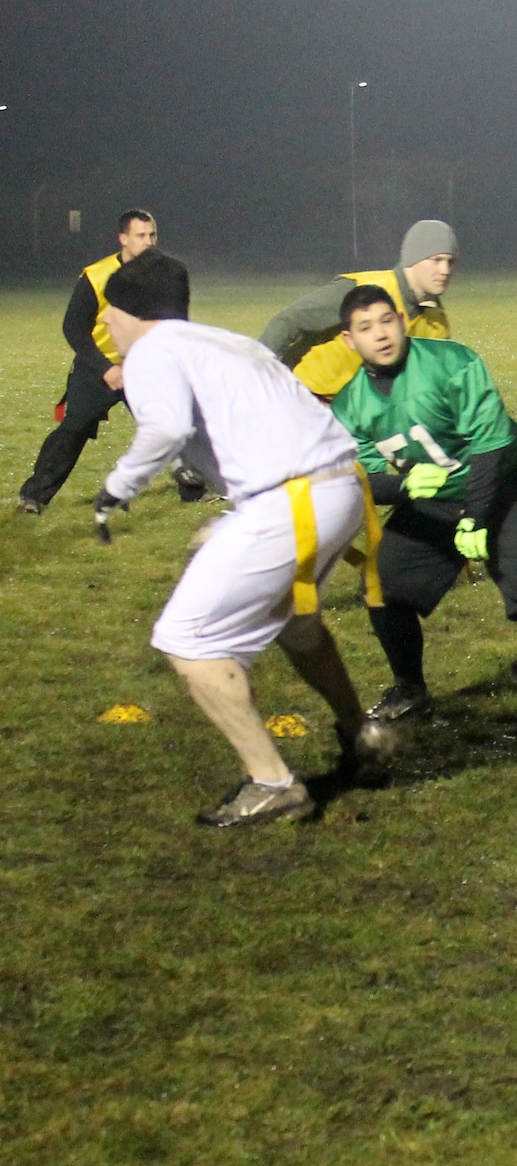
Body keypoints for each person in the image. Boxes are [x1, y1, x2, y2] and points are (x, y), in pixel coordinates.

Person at [93, 250, 390, 827]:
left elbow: (167, 427)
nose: (105, 323)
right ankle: (362, 734)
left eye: (109, 312)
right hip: (340, 488)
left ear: (130, 309)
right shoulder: (223, 342)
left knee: (186, 640)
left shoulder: (155, 348)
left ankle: (274, 783)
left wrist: (116, 488)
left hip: (296, 497)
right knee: (297, 624)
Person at [331, 285, 517, 736]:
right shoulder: (350, 404)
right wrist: (404, 486)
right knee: (384, 586)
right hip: (436, 498)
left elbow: (488, 446)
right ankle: (410, 689)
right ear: (349, 340)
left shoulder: (452, 362)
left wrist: (475, 518)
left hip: (504, 485)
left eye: (387, 320)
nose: (380, 334)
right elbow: (361, 480)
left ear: (402, 322)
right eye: (365, 327)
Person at [19, 210, 160, 513]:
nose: (148, 242)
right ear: (124, 239)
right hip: (98, 368)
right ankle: (34, 497)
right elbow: (73, 328)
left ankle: (197, 487)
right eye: (141, 236)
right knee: (73, 430)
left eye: (152, 235)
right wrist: (105, 368)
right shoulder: (96, 276)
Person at [261, 220, 456, 398]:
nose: (445, 270)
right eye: (436, 260)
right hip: (305, 400)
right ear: (414, 259)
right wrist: (257, 376)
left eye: (450, 261)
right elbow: (289, 321)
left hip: (359, 419)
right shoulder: (360, 288)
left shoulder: (437, 323)